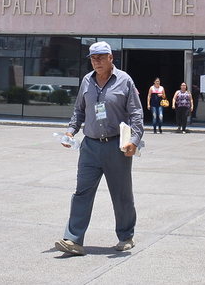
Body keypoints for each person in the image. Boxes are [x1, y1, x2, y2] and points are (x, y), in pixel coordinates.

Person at [55, 41, 144, 257]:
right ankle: (73, 239)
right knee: (82, 193)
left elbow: (136, 113)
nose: (96, 62)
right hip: (90, 147)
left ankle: (126, 236)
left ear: (110, 58)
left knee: (121, 194)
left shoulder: (125, 81)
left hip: (117, 146)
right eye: (93, 59)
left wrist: (134, 140)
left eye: (101, 58)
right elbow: (79, 110)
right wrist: (70, 132)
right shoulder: (87, 81)